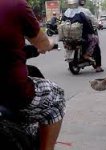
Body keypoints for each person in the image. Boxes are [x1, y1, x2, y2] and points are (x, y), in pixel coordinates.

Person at [0, 0, 66, 150]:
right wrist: (49, 43)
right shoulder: (16, 5)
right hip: (11, 91)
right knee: (57, 98)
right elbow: (42, 44)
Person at [78, 0, 104, 72]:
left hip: (71, 35)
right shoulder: (85, 11)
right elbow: (93, 19)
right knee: (96, 44)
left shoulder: (68, 11)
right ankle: (98, 66)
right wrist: (99, 25)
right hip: (85, 34)